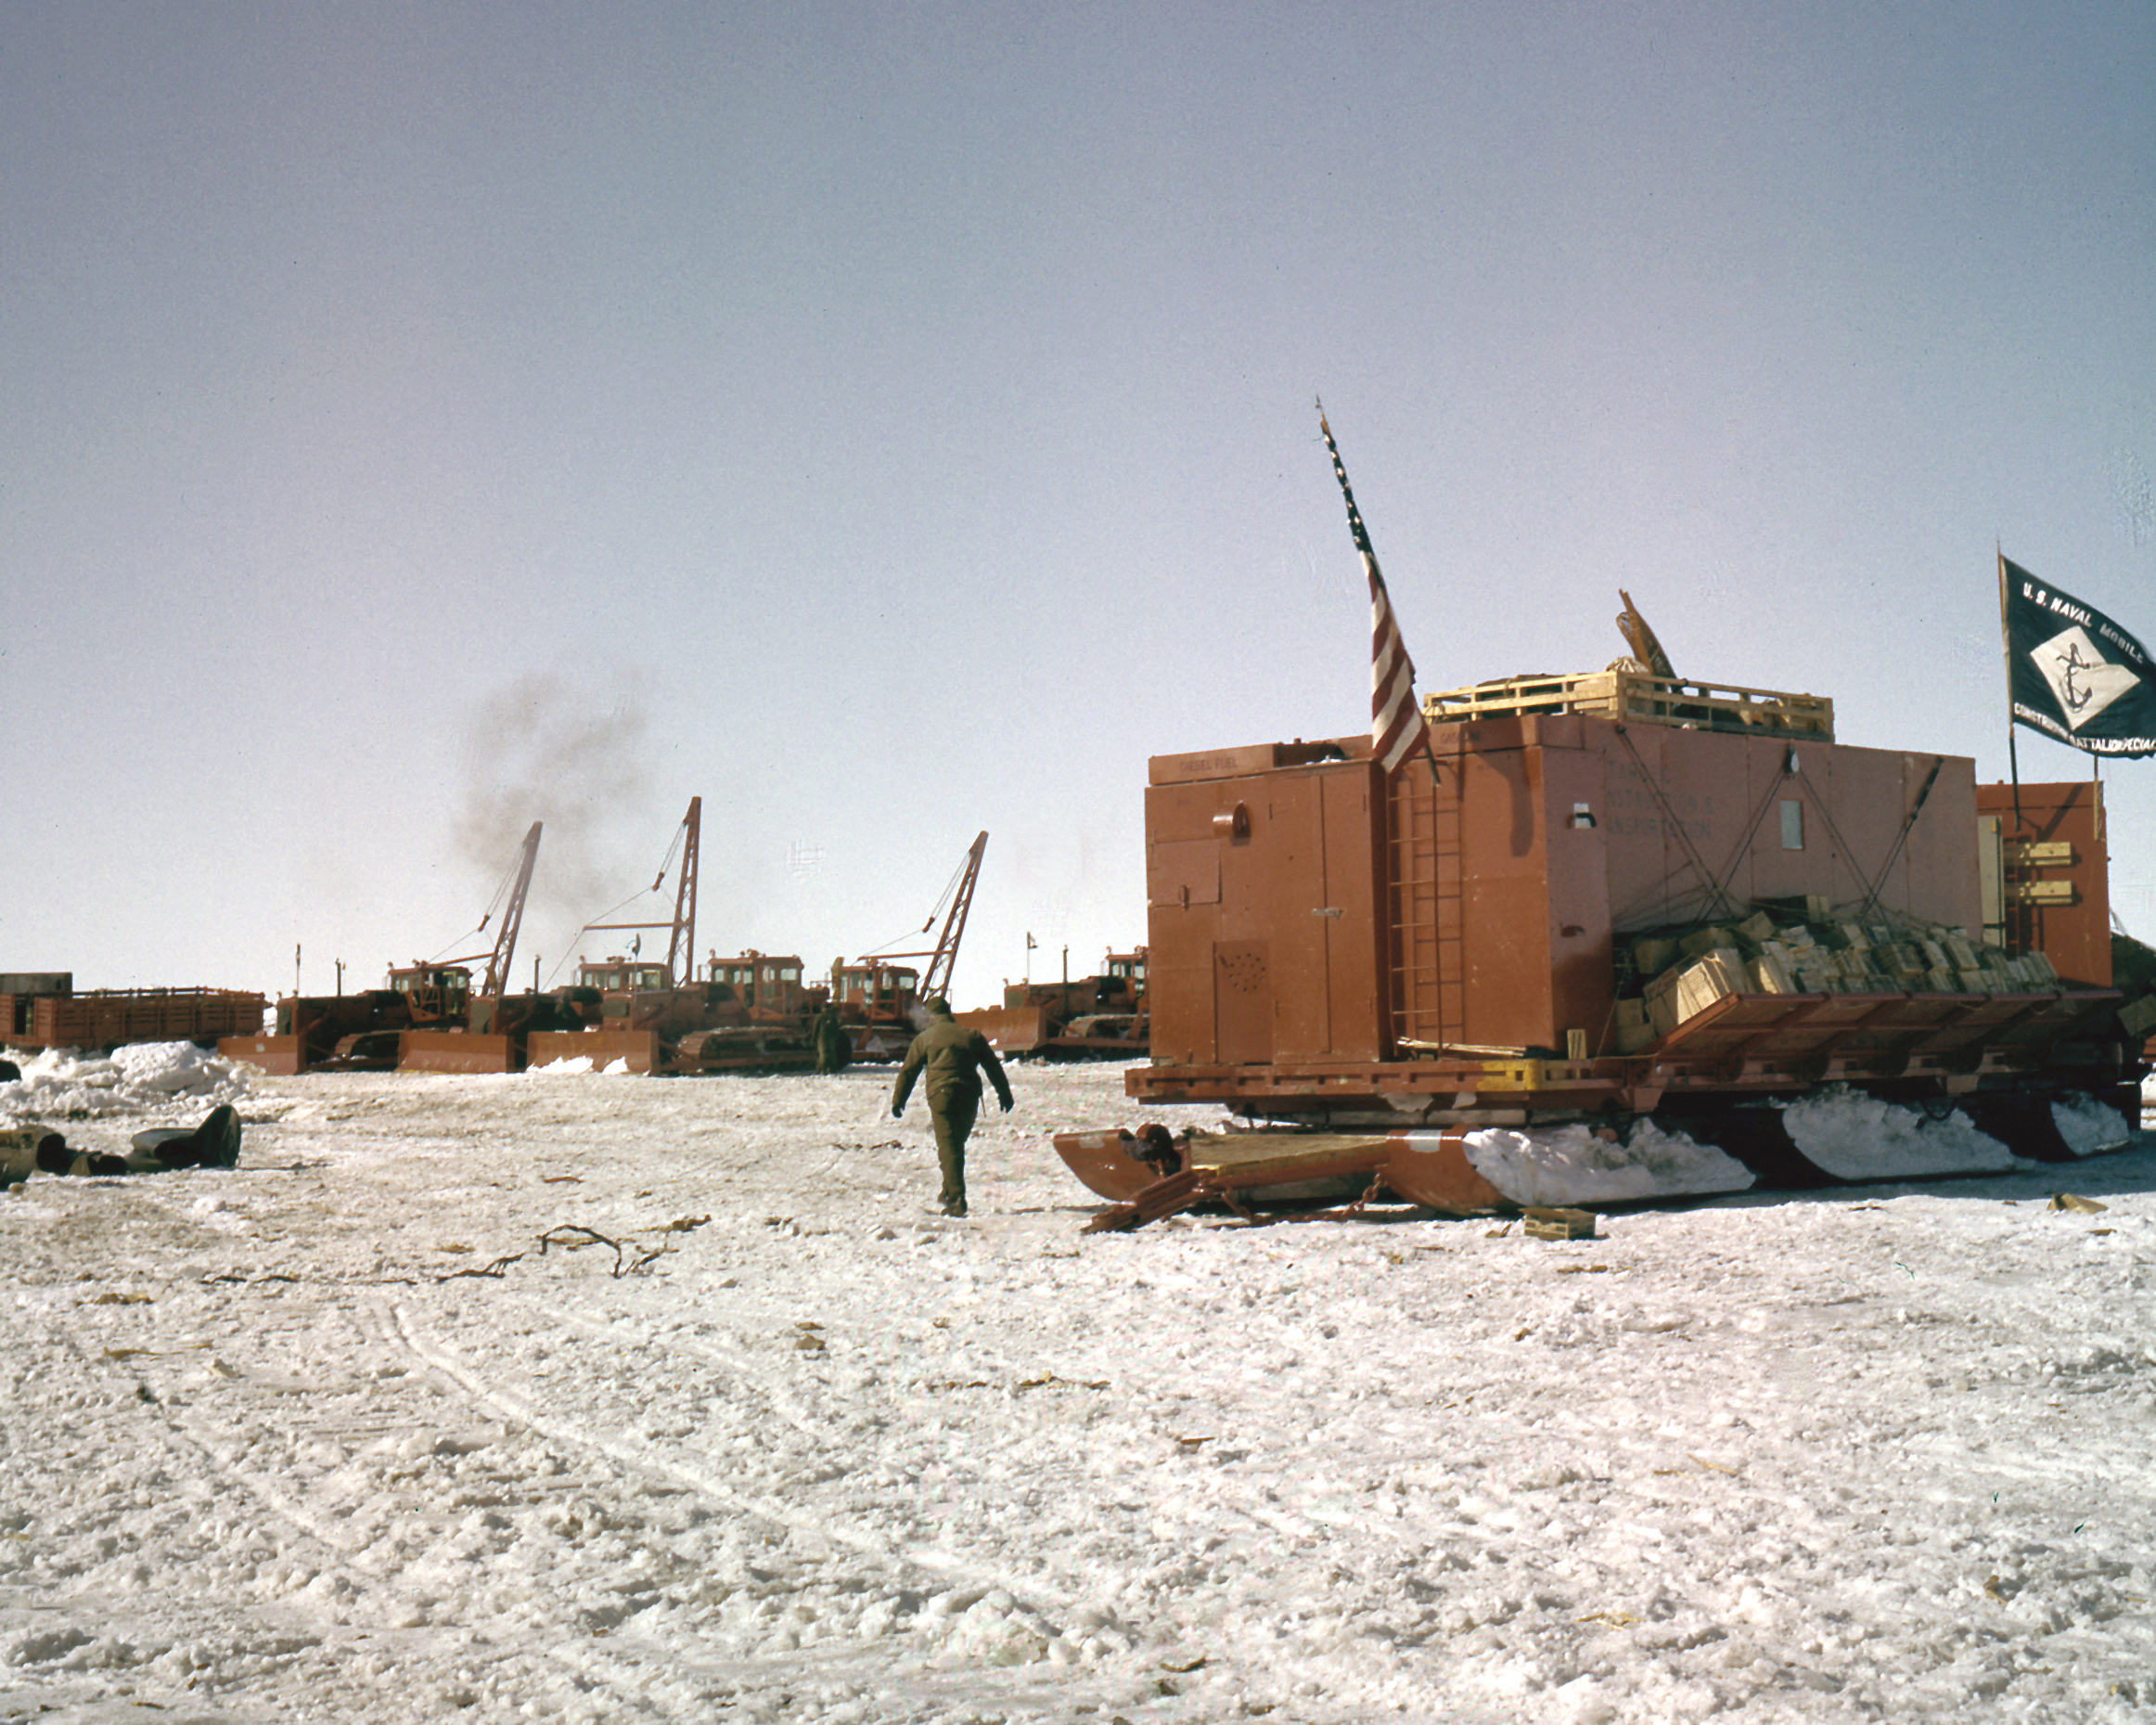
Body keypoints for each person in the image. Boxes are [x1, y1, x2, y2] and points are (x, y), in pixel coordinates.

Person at [890, 998, 1011, 1217]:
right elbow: (992, 1066)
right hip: (969, 1096)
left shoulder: (924, 1038)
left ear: (930, 1016)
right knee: (955, 1144)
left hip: (941, 1095)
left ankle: (955, 1199)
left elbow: (908, 1072)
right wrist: (1005, 1094)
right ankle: (948, 1190)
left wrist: (899, 1100)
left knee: (949, 1146)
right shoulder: (971, 1035)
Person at [0, 1104, 241, 1184]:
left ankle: (191, 1147)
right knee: (115, 1164)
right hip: (58, 1158)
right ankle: (192, 1148)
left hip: (52, 1154)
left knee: (115, 1164)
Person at [811, 1002, 852, 1074]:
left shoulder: (819, 1016)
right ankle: (832, 1068)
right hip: (831, 1037)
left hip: (822, 1037)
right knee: (831, 1052)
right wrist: (836, 1036)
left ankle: (822, 1069)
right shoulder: (833, 1016)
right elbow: (836, 1027)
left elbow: (816, 1028)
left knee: (823, 1053)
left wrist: (814, 1037)